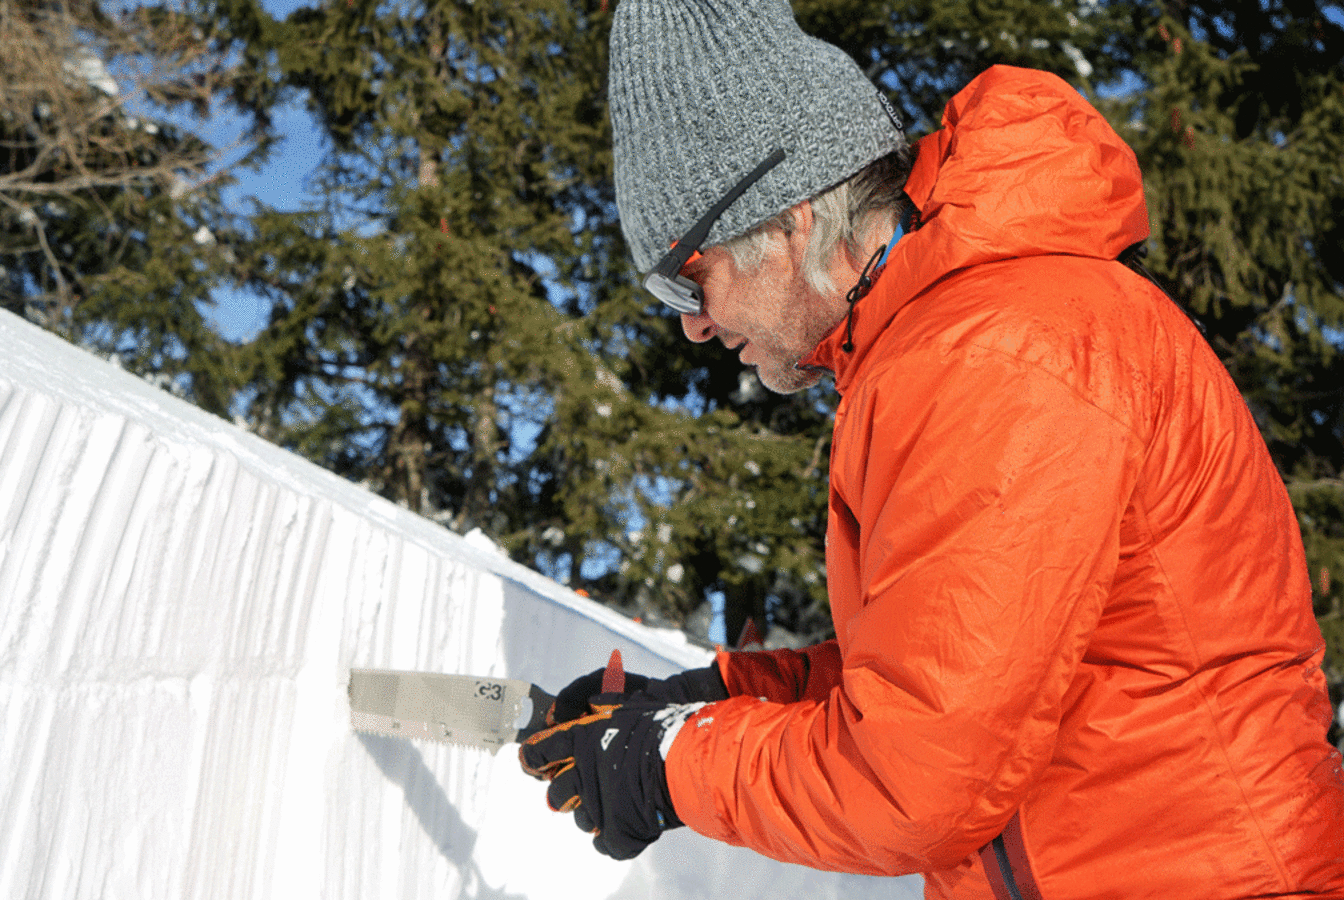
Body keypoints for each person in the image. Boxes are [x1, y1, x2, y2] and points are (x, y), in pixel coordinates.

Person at [518, 1, 1344, 897]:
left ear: (789, 218)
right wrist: (717, 697)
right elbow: (956, 666)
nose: (691, 325)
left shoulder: (995, 352)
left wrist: (673, 768)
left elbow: (916, 777)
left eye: (686, 274)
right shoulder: (959, 337)